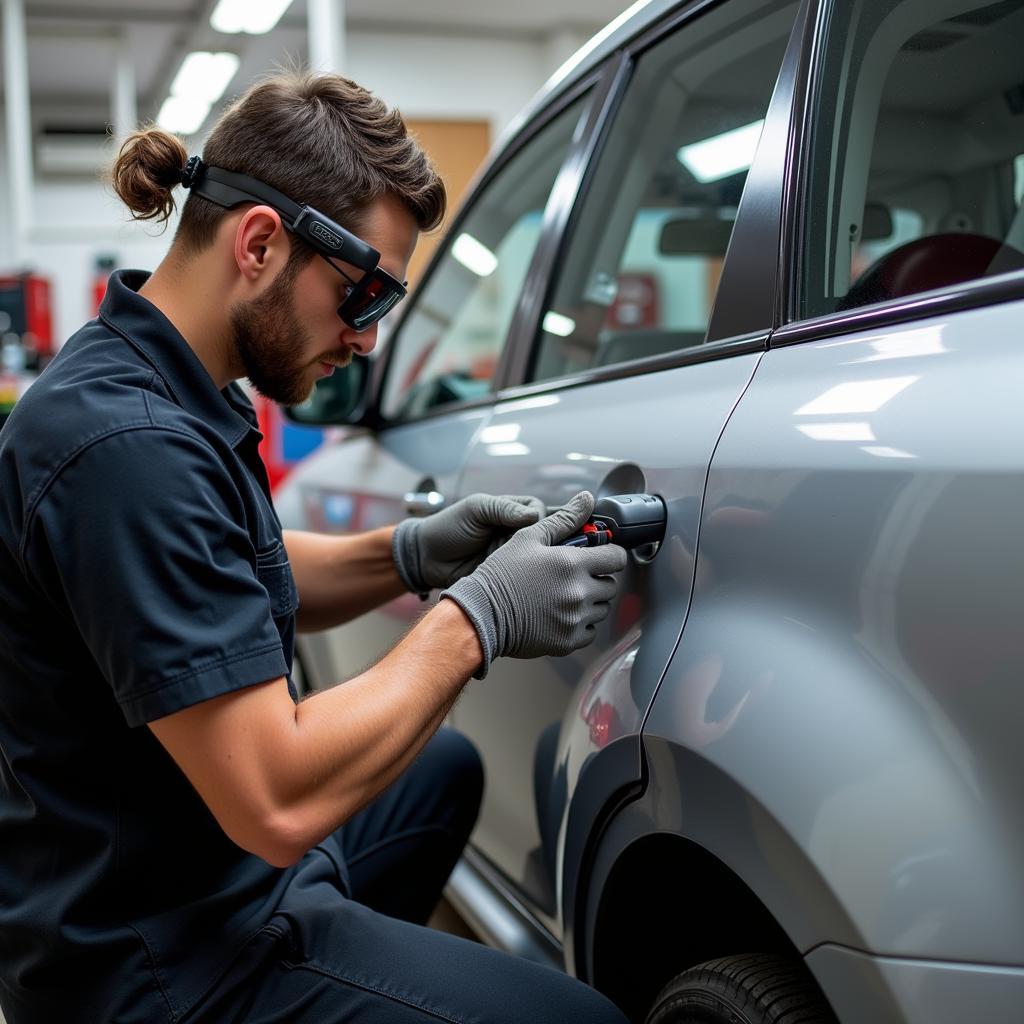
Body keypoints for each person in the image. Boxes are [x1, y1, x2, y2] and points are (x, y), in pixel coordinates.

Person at [0, 71, 629, 1023]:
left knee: (441, 770)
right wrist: (480, 616)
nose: (368, 341)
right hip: (158, 961)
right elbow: (275, 800)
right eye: (362, 294)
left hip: (206, 868)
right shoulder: (123, 448)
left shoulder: (167, 382)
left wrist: (415, 555)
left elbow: (225, 573)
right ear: (259, 242)